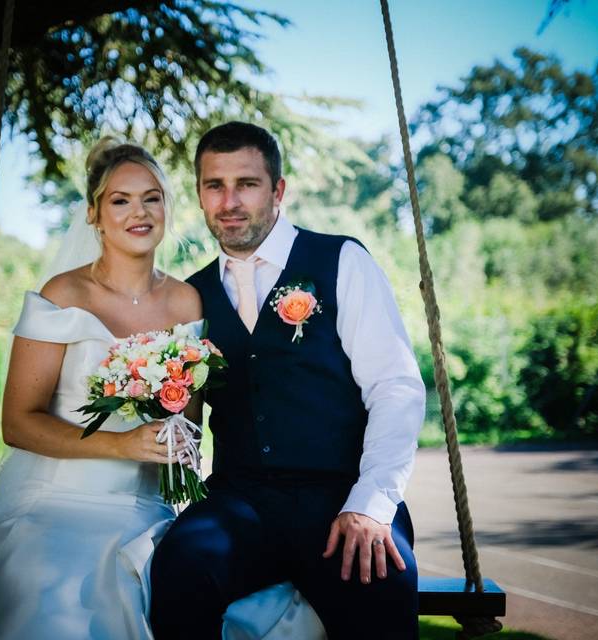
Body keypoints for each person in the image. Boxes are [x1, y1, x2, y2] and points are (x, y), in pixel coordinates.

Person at [0, 137, 317, 639]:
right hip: (58, 505)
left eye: (152, 197)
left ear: (168, 208)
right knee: (59, 602)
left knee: (256, 605)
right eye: (120, 199)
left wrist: (178, 441)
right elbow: (18, 423)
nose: (139, 212)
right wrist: (121, 442)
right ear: (94, 213)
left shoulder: (187, 302)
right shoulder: (63, 295)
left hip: (145, 511)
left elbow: (188, 431)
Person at [150, 122, 425, 640]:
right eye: (214, 186)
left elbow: (396, 387)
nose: (229, 201)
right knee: (178, 568)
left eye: (247, 184)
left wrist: (370, 504)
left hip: (342, 495)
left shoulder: (341, 260)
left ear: (278, 191)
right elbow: (179, 417)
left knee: (383, 584)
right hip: (240, 502)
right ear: (200, 195)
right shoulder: (191, 296)